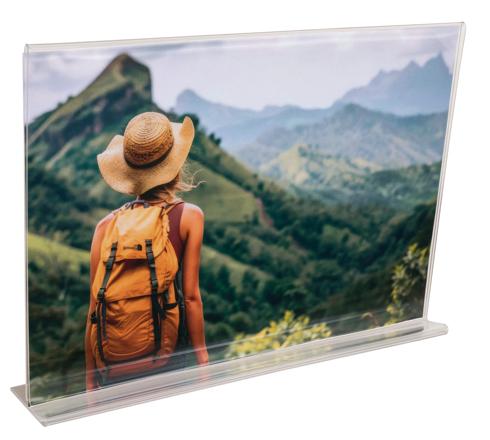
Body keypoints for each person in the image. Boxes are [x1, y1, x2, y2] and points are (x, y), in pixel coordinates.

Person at [85, 112, 208, 391]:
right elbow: (191, 298)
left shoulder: (105, 227)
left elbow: (94, 309)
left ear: (129, 173)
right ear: (174, 166)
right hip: (168, 359)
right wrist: (203, 360)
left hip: (113, 365)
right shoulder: (189, 217)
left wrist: (90, 384)